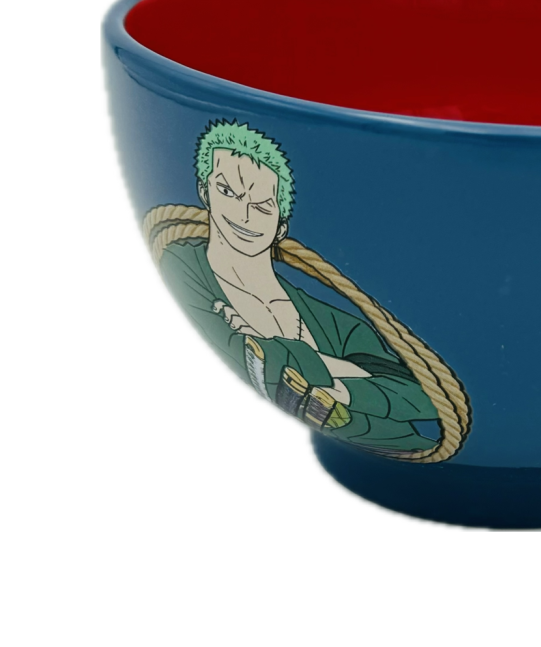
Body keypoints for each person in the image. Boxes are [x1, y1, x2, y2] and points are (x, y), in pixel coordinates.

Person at [160, 120, 439, 452]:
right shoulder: (183, 264)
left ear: (281, 226)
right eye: (227, 192)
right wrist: (347, 372)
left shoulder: (335, 322)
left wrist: (340, 388)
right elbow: (257, 359)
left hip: (406, 443)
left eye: (262, 206)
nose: (244, 214)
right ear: (204, 192)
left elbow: (423, 399)